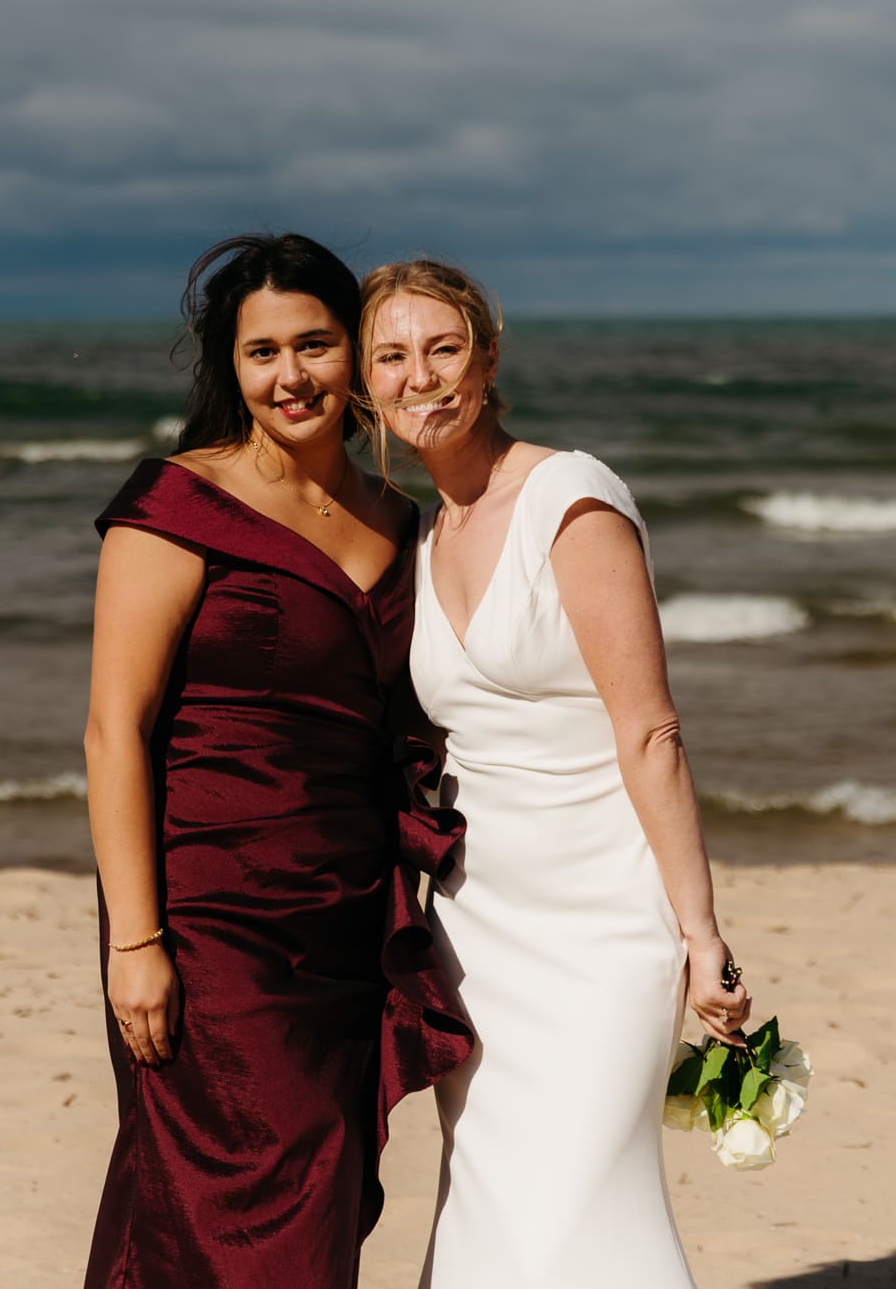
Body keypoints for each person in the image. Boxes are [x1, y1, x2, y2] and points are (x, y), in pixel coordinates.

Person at [82, 234, 472, 1288]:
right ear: (230, 367)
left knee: (323, 1193)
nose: (290, 376)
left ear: (353, 353)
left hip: (348, 915)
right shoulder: (176, 507)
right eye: (262, 353)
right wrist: (136, 941)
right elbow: (113, 731)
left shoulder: (398, 516)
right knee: (227, 1206)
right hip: (209, 917)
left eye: (314, 345)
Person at [359, 259, 755, 1288]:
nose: (422, 377)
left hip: (599, 923)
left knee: (585, 1195)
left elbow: (650, 732)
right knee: (490, 1188)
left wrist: (698, 931)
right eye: (392, 357)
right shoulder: (420, 529)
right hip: (478, 921)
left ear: (487, 358)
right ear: (365, 386)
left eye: (443, 348)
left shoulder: (570, 500)